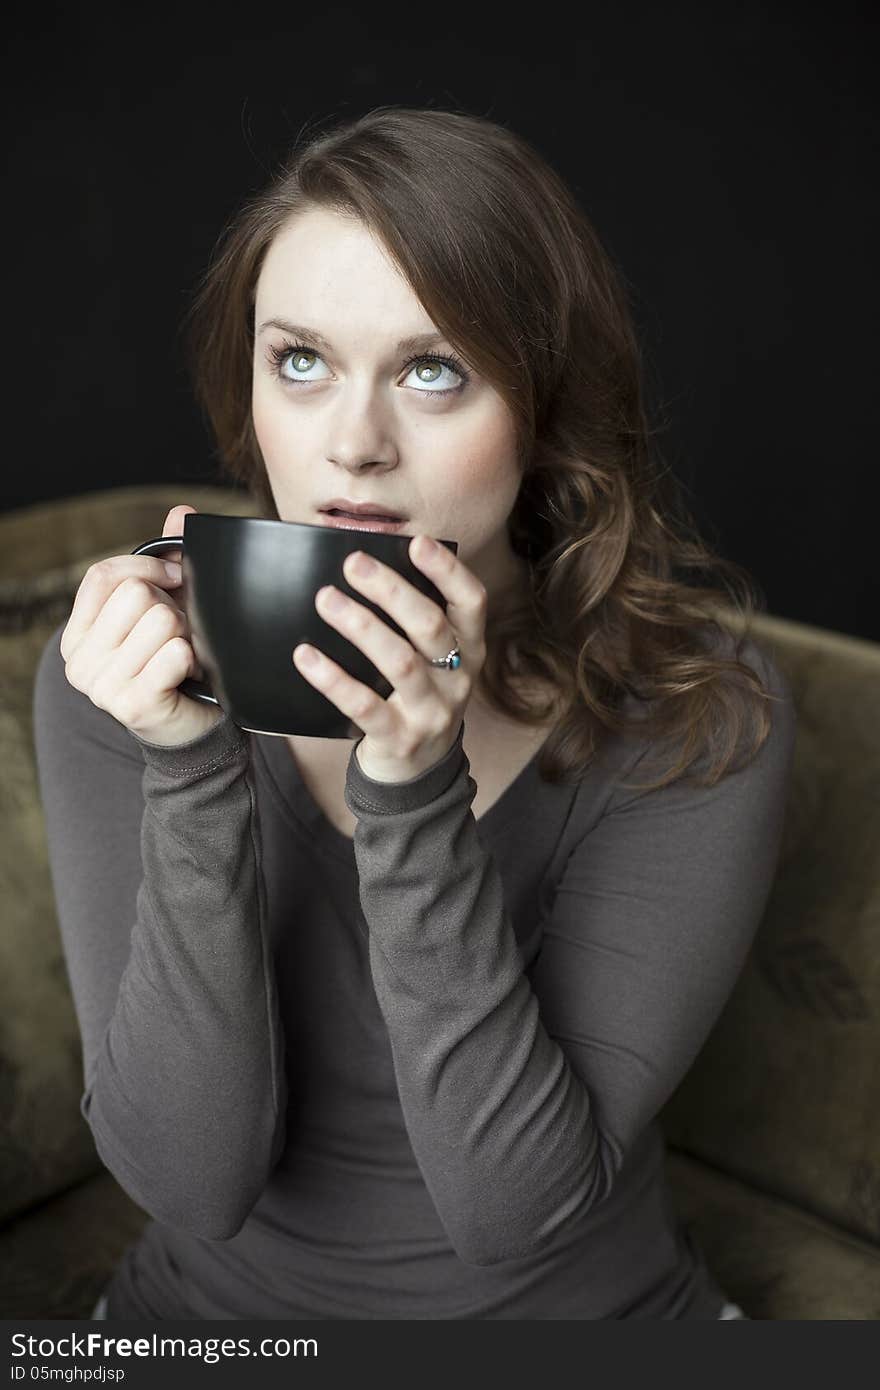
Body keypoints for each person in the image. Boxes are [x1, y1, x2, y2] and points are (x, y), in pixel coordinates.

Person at [32, 105, 793, 1320]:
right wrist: (186, 762)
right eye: (301, 361)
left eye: (432, 369)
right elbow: (191, 1182)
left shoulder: (698, 709)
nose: (353, 444)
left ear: (545, 401)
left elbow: (511, 1215)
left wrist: (412, 793)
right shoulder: (130, 665)